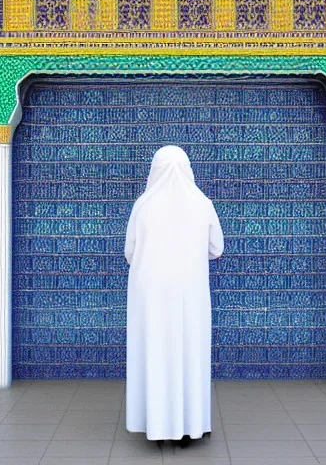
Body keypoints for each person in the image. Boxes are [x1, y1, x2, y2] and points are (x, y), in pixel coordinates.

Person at [124, 145, 224, 445]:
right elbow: (216, 248)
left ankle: (156, 426)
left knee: (154, 352)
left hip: (149, 293)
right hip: (190, 291)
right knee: (190, 352)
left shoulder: (143, 205)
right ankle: (191, 426)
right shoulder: (202, 203)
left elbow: (130, 252)